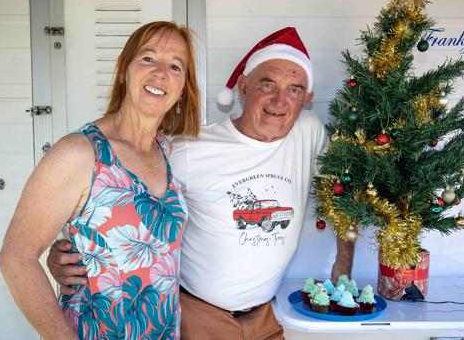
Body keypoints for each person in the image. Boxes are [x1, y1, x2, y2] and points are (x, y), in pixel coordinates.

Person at [48, 27, 355, 339]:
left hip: (266, 317)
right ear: (244, 86)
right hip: (201, 317)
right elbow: (118, 200)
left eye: (294, 90)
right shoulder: (188, 149)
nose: (279, 100)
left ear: (307, 99)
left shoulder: (309, 132)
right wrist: (67, 251)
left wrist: (343, 265)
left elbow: (347, 193)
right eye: (268, 84)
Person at [0, 21, 201, 340]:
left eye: (175, 66)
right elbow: (15, 258)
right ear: (124, 71)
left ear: (181, 90)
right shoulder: (79, 154)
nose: (160, 72)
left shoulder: (166, 150)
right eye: (148, 58)